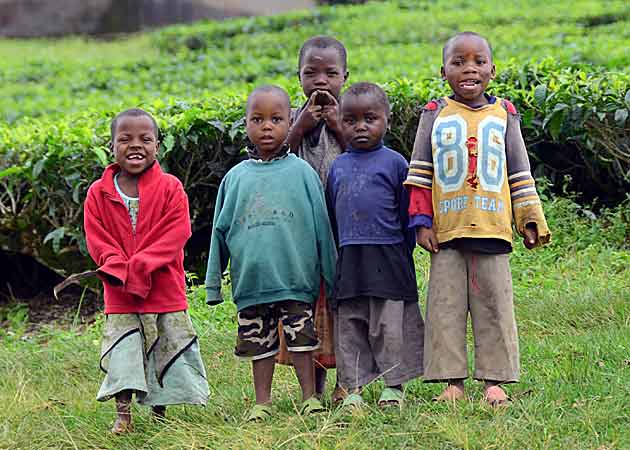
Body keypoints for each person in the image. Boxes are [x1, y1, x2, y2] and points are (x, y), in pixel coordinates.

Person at [404, 31, 551, 406]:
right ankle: (451, 382)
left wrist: (529, 217)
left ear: (492, 70)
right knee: (445, 308)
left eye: (479, 62)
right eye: (458, 62)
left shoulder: (505, 114)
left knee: (495, 308)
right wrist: (421, 222)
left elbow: (519, 171)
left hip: (493, 228)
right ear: (443, 71)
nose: (469, 69)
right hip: (447, 232)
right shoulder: (434, 113)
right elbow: (420, 171)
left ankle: (495, 381)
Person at [205, 85, 337, 421]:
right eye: (257, 119)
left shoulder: (302, 173)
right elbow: (219, 232)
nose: (267, 127)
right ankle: (262, 402)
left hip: (296, 281)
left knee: (302, 342)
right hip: (251, 284)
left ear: (290, 121)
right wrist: (213, 286)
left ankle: (310, 397)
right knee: (259, 346)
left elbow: (322, 228)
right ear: (245, 124)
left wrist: (332, 276)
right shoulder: (235, 179)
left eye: (276, 119)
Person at [83, 108, 208, 434]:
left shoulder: (171, 188)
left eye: (145, 139)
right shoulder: (98, 193)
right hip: (120, 290)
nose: (135, 145)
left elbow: (176, 232)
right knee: (124, 351)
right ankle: (123, 415)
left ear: (158, 145)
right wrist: (118, 267)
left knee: (163, 350)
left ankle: (159, 412)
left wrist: (140, 265)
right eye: (125, 139)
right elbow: (97, 239)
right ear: (111, 146)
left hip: (163, 287)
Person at [326, 82, 425, 408]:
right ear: (340, 122)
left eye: (370, 119)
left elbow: (406, 214)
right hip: (350, 257)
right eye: (350, 120)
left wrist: (400, 252)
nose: (360, 127)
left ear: (387, 121)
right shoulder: (337, 167)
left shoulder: (396, 164)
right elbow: (332, 215)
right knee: (350, 323)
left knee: (389, 324)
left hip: (388, 256)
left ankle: (394, 386)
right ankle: (352, 388)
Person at [278, 35, 349, 404]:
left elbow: (365, 154)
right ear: (299, 76)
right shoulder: (290, 119)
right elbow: (273, 162)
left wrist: (339, 126)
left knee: (343, 307)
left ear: (345, 77)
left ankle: (347, 383)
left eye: (331, 73)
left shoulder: (352, 116)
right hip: (301, 234)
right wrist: (299, 127)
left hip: (343, 231)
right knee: (309, 309)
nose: (321, 80)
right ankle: (314, 388)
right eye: (311, 73)